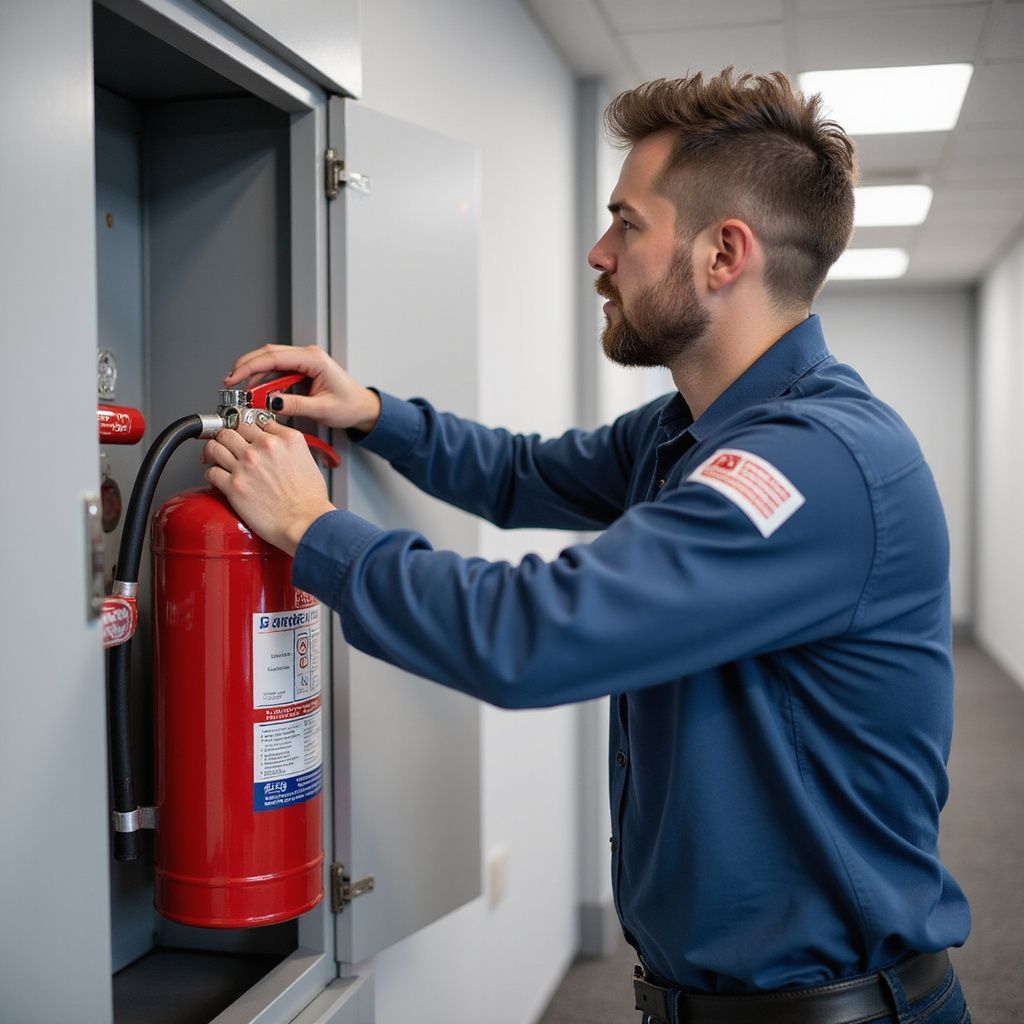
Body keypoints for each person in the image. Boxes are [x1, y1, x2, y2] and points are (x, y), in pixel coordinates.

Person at [203, 69, 972, 1023]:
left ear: (723, 253)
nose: (599, 252)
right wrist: (372, 414)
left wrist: (310, 527)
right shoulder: (689, 433)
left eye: (627, 223)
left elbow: (532, 633)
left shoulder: (816, 466)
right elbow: (524, 473)